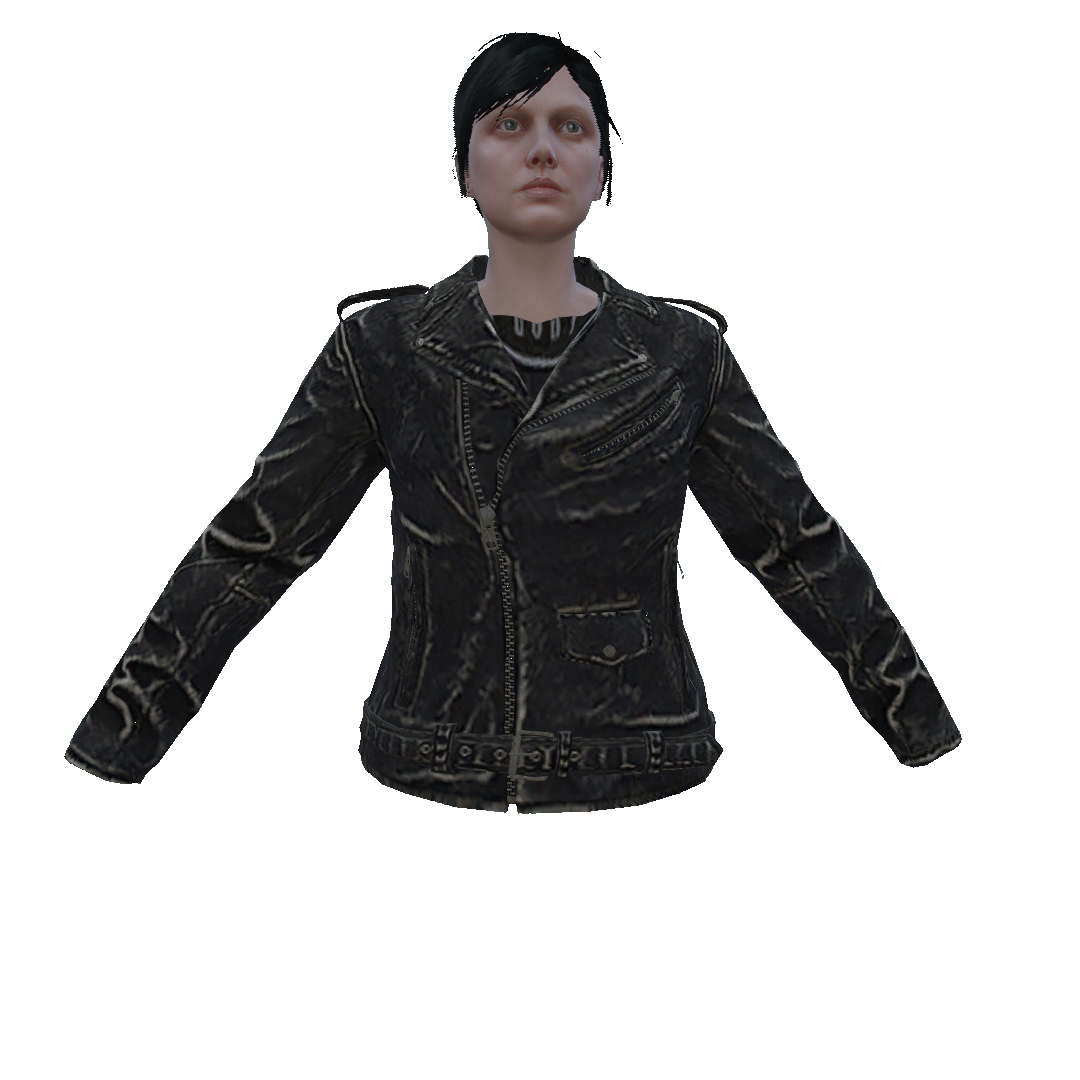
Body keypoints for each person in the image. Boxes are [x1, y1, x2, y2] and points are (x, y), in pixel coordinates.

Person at [64, 32, 960, 812]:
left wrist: (919, 728)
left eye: (571, 127)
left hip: (642, 766)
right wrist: (119, 740)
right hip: (426, 763)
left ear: (603, 168)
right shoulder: (383, 348)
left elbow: (795, 547)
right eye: (508, 125)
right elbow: (255, 547)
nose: (542, 150)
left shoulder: (682, 353)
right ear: (463, 167)